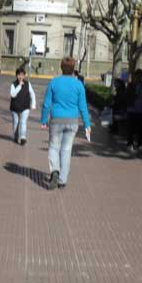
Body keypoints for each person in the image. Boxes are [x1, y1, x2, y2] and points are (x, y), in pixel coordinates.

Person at [40, 56, 91, 190]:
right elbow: (83, 106)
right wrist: (87, 124)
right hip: (72, 121)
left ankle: (55, 170)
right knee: (66, 150)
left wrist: (43, 119)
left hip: (56, 120)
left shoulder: (54, 82)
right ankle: (62, 180)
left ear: (61, 67)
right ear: (73, 69)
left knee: (53, 147)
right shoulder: (78, 85)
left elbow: (46, 104)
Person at [10, 67, 36, 145]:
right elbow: (13, 94)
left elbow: (32, 94)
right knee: (16, 123)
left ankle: (23, 138)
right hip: (15, 108)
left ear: (24, 75)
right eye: (19, 75)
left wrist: (33, 104)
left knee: (23, 122)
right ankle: (15, 136)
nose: (20, 77)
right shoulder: (13, 84)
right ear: (16, 76)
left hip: (25, 107)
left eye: (22, 75)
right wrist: (19, 86)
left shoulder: (28, 84)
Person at [125, 69, 142, 151]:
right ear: (135, 76)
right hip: (131, 109)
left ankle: (140, 144)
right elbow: (127, 95)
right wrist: (134, 95)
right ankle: (130, 143)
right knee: (130, 128)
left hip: (141, 109)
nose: (139, 78)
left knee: (140, 128)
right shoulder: (131, 85)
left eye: (140, 76)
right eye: (137, 76)